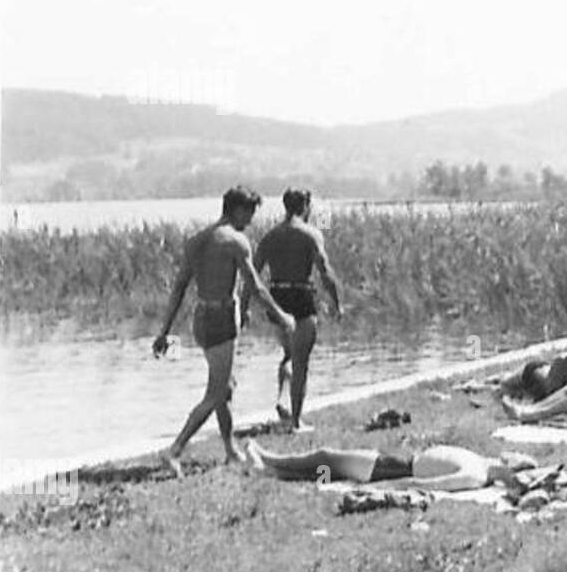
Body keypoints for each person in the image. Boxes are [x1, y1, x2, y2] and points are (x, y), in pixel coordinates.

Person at [152, 186, 295, 474]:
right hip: (221, 319)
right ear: (239, 210)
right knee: (217, 391)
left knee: (225, 385)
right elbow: (255, 286)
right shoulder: (235, 241)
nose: (252, 220)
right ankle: (175, 450)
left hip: (201, 319)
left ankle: (231, 451)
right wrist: (282, 316)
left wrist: (164, 331)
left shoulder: (197, 241)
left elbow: (179, 287)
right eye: (251, 213)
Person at [250, 188, 342, 431]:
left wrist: (245, 305)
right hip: (301, 295)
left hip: (277, 296)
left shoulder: (270, 236)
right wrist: (336, 303)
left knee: (289, 354)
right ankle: (296, 421)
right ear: (306, 206)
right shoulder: (311, 234)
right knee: (301, 361)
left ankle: (282, 399)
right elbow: (325, 271)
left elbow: (253, 273)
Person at [247, 440, 514, 488]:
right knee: (330, 471)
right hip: (396, 462)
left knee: (326, 459)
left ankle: (270, 463)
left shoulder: (476, 474)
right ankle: (272, 471)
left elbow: (431, 484)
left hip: (393, 470)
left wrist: (390, 486)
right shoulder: (481, 462)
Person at [498, 329, 567, 403]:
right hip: (534, 373)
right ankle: (500, 377)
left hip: (546, 372)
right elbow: (551, 393)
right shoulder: (563, 363)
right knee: (506, 382)